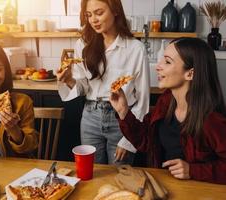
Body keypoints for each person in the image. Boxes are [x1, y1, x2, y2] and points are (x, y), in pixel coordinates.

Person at [110, 37, 226, 184]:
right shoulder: (165, 102)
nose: (158, 66)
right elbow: (146, 141)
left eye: (167, 61)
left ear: (190, 74)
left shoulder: (212, 119)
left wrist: (192, 170)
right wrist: (123, 111)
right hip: (164, 186)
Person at [57, 0, 150, 164]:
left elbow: (143, 101)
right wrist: (69, 80)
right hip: (90, 116)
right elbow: (83, 86)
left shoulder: (135, 49)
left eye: (99, 13)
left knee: (120, 176)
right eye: (89, 15)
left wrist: (128, 140)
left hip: (121, 119)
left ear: (115, 11)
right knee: (91, 174)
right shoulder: (83, 44)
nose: (93, 20)